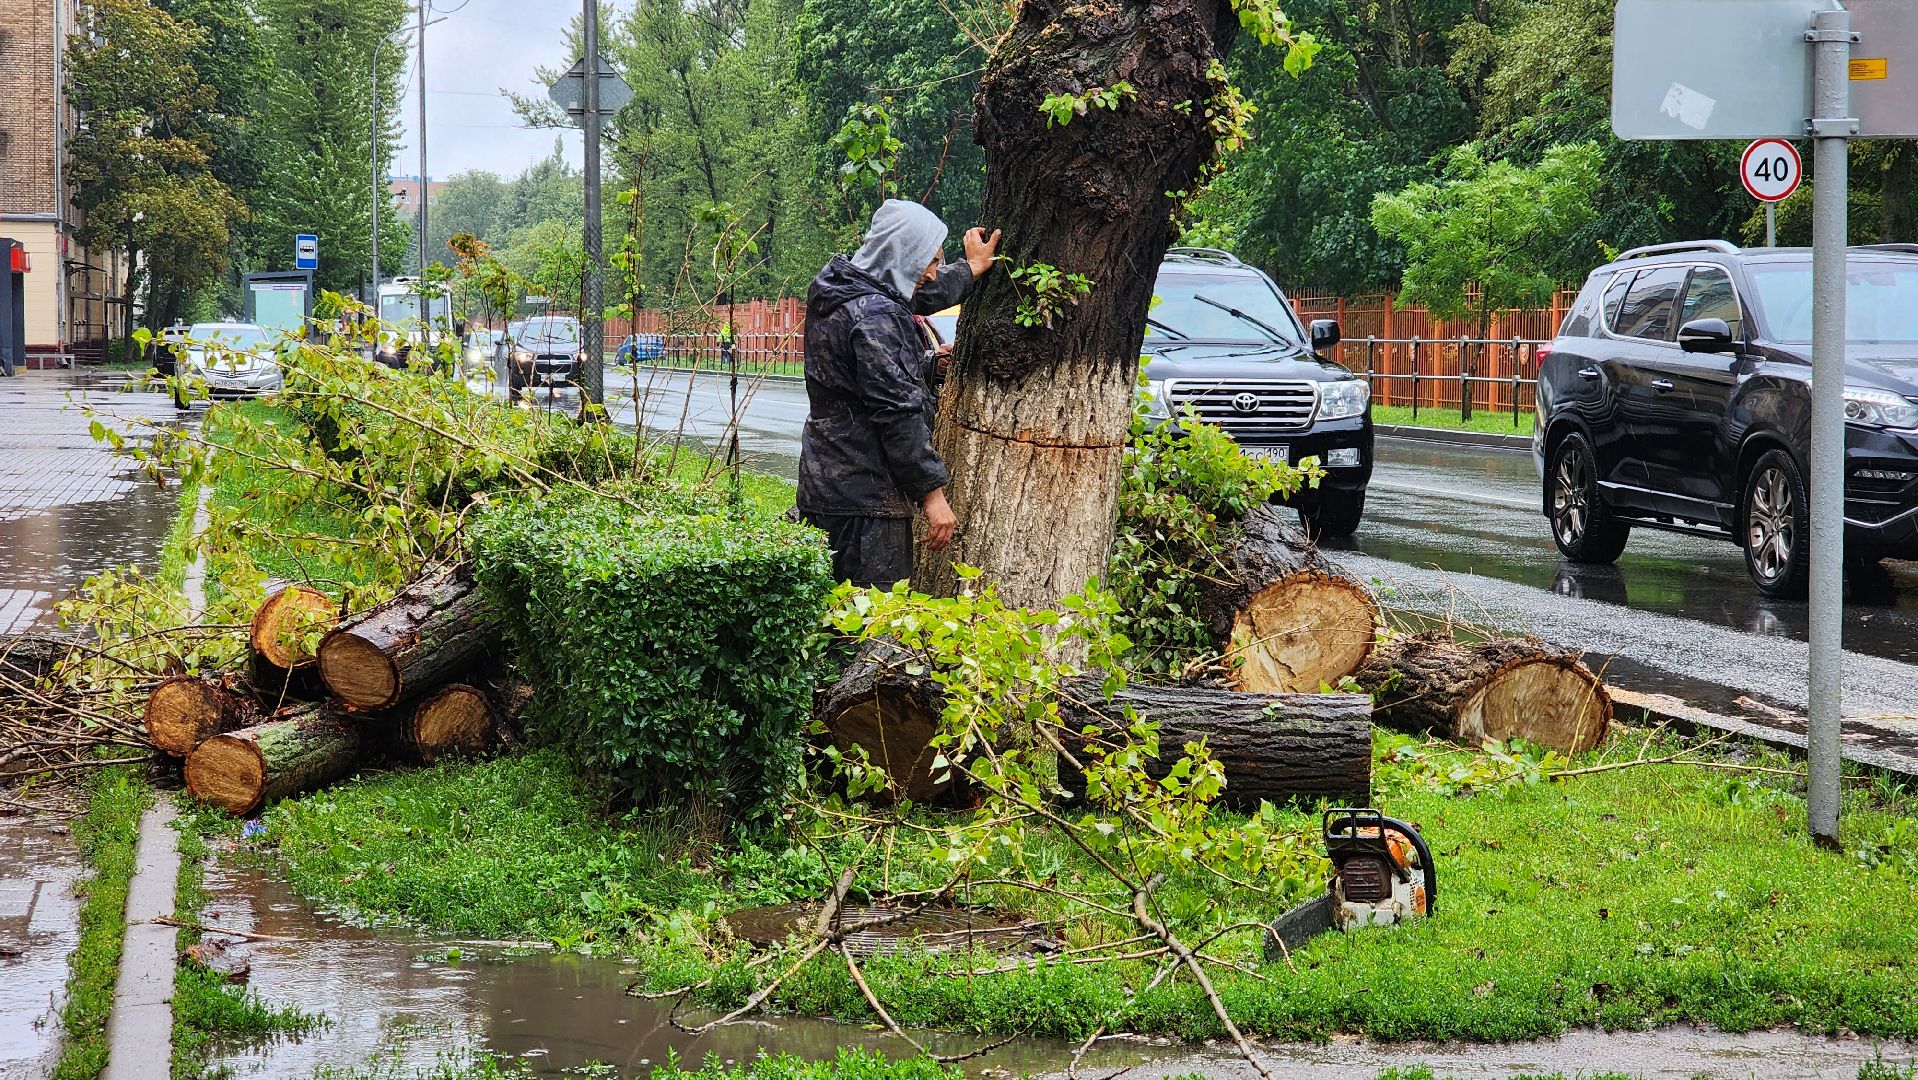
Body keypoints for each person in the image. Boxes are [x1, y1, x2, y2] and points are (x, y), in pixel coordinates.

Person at [797, 199, 1000, 588]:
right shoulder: (877, 316)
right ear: (902, 255)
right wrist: (932, 496)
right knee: (871, 633)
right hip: (868, 504)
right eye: (929, 260)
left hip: (823, 486)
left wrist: (971, 271)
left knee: (827, 621)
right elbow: (897, 413)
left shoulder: (838, 290)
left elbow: (857, 379)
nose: (931, 273)